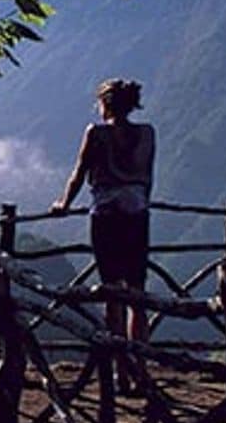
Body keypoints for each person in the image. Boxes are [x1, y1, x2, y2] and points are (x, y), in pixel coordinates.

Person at [51, 79, 155, 343]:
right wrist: (144, 201)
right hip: (137, 212)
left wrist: (64, 203)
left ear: (105, 104)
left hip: (106, 215)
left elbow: (79, 173)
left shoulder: (96, 133)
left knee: (112, 292)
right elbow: (148, 177)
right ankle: (139, 362)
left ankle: (119, 359)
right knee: (137, 292)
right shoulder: (147, 133)